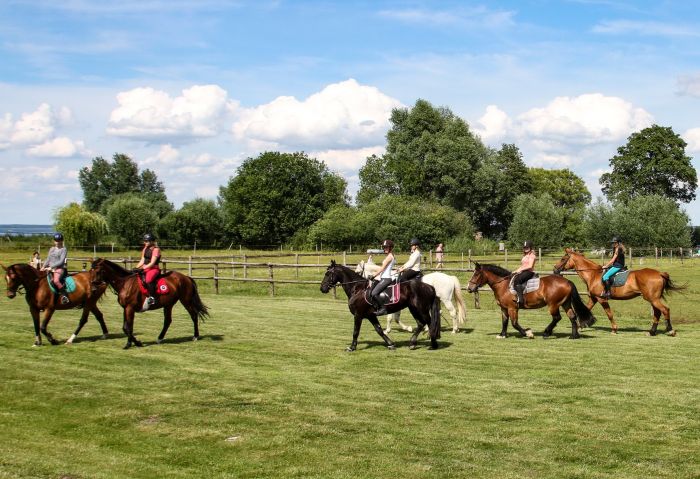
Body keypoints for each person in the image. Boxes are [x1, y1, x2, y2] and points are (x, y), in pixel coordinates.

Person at [41, 233, 69, 304]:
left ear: (62, 241)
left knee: (56, 281)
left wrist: (51, 267)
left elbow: (61, 261)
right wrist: (43, 266)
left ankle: (64, 296)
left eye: (59, 240)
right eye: (56, 240)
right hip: (49, 268)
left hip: (60, 268)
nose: (57, 242)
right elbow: (48, 259)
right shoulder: (52, 249)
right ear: (54, 241)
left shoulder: (64, 249)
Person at [370, 239, 396, 316]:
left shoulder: (389, 257)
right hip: (383, 277)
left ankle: (383, 309)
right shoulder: (390, 256)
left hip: (386, 278)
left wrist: (373, 275)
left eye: (386, 247)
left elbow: (382, 268)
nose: (384, 249)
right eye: (384, 247)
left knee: (374, 293)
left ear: (390, 248)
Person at [135, 233, 161, 305]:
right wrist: (136, 268)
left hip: (154, 269)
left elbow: (152, 263)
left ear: (152, 241)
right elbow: (142, 260)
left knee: (148, 279)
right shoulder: (145, 249)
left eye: (147, 241)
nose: (145, 242)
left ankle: (152, 297)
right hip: (146, 268)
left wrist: (144, 267)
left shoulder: (156, 250)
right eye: (144, 241)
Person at [511, 240, 537, 307]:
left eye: (527, 247)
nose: (525, 249)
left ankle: (521, 300)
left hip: (529, 272)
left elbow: (530, 266)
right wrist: (516, 271)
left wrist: (520, 270)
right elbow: (522, 266)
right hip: (524, 271)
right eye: (525, 247)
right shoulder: (525, 256)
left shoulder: (532, 255)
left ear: (530, 248)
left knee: (517, 280)